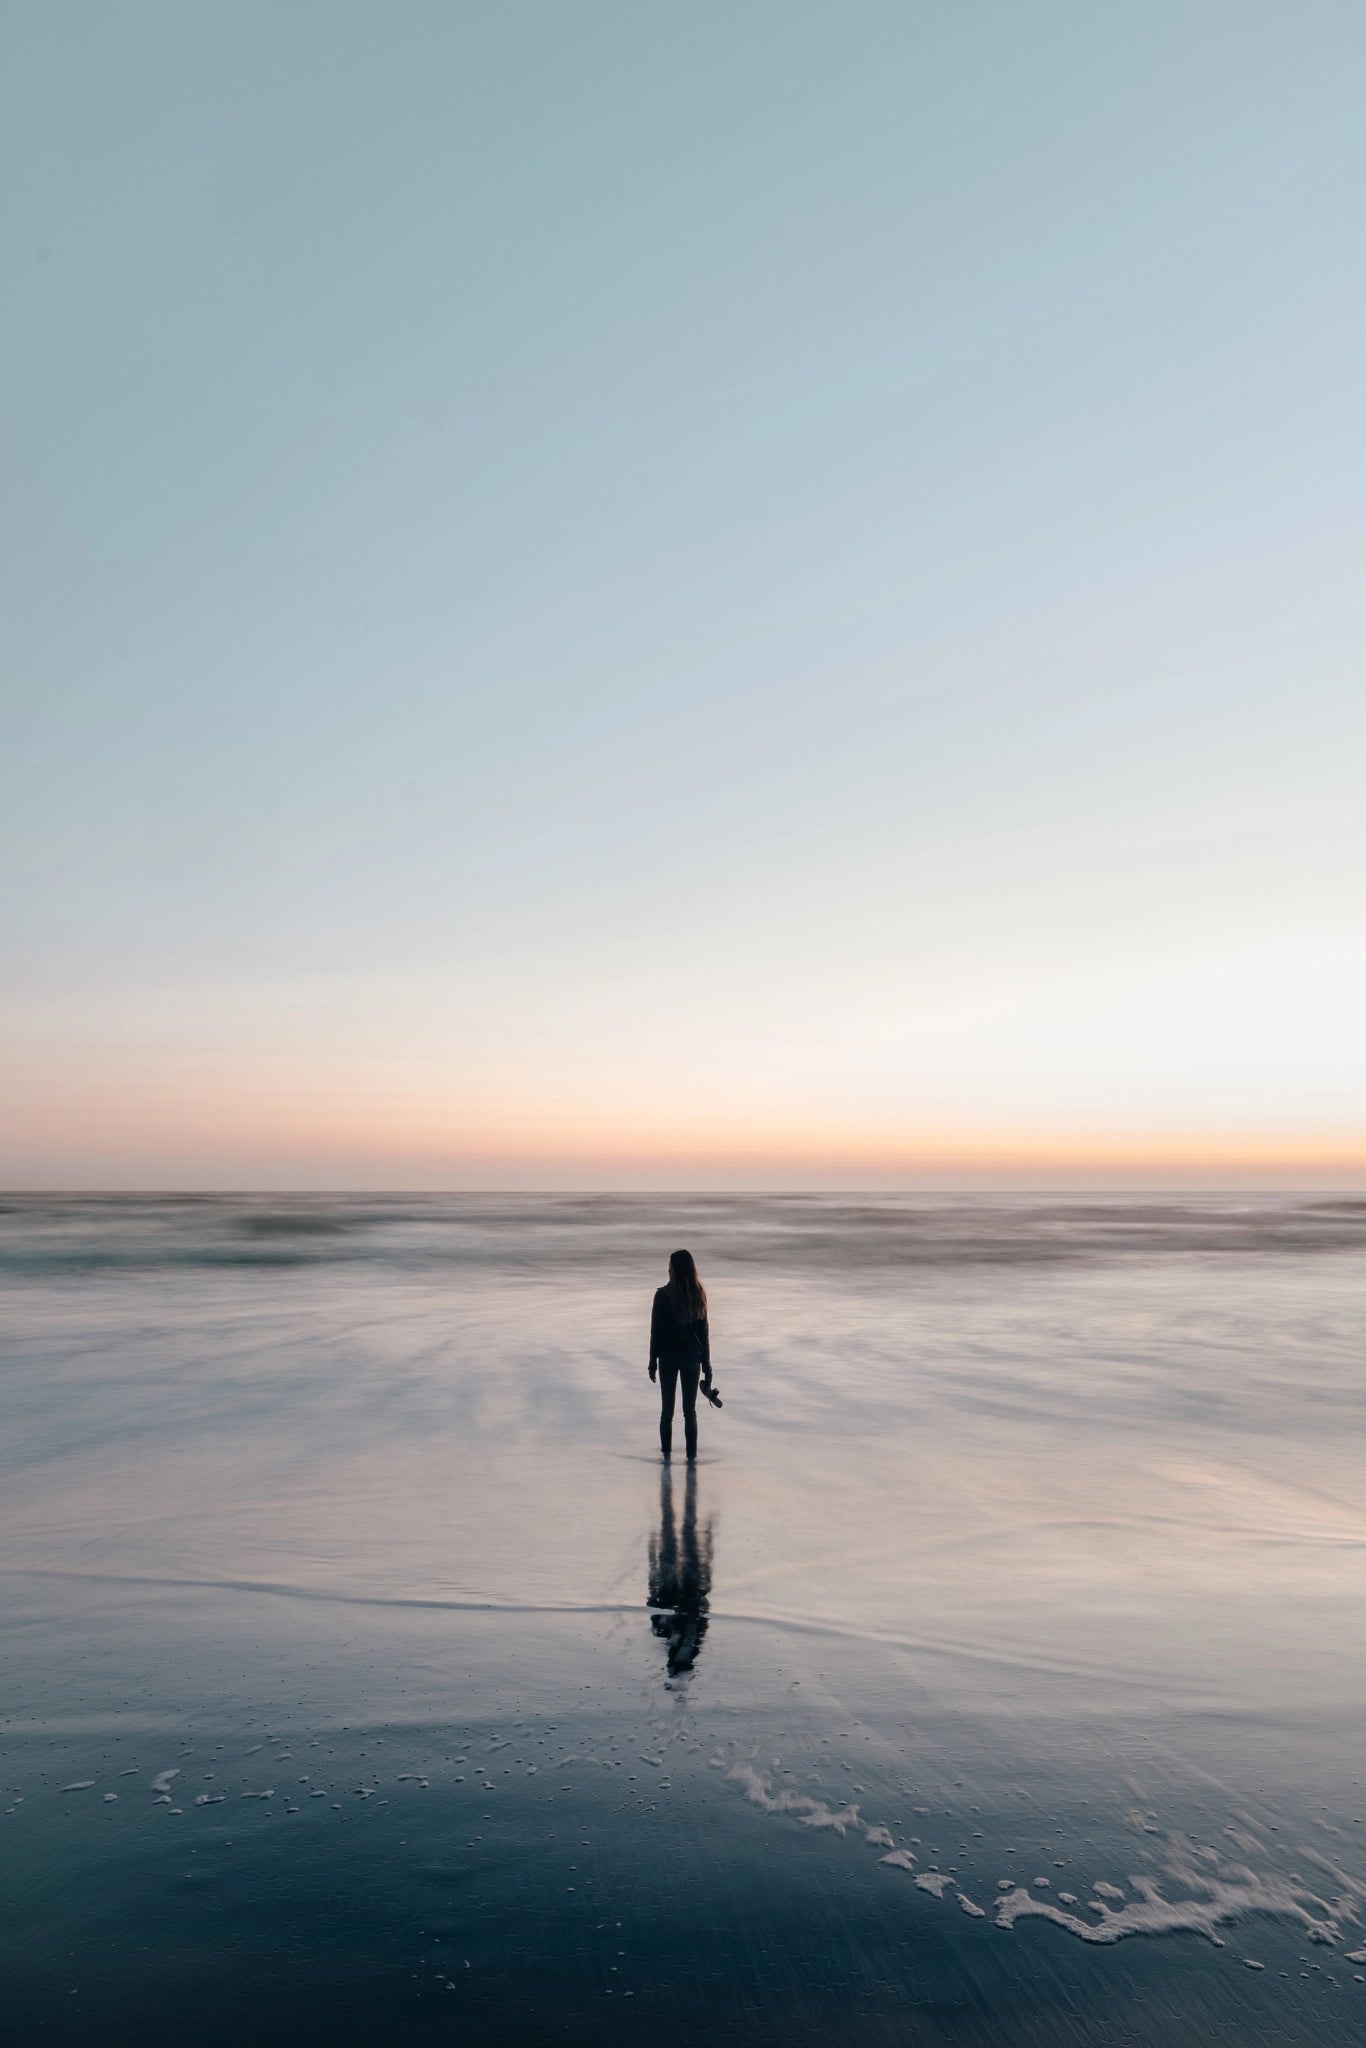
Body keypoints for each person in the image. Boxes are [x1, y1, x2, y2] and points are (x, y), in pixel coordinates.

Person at [648, 1249, 713, 1461]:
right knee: (689, 1412)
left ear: (675, 1269)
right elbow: (704, 1334)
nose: (667, 1269)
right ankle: (691, 1460)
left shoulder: (662, 1295)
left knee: (667, 1413)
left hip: (667, 1358)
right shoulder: (698, 1293)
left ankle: (666, 1460)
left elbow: (655, 1332)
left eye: (670, 1266)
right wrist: (707, 1365)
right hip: (692, 1358)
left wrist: (652, 1362)